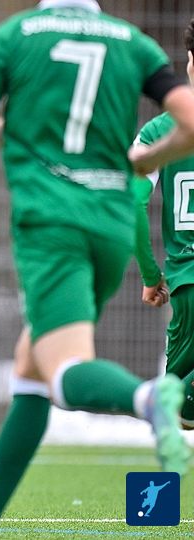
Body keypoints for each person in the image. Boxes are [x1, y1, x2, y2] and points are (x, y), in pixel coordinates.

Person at [0, 2, 194, 539]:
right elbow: (188, 123)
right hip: (110, 228)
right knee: (30, 370)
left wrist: (22, 121)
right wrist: (142, 162)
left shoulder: (16, 36)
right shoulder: (132, 41)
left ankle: (149, 398)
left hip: (54, 227)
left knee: (64, 372)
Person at [133, 18, 194, 431]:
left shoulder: (158, 131)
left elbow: (132, 204)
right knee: (178, 412)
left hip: (186, 284)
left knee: (173, 412)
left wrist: (150, 274)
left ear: (190, 61)